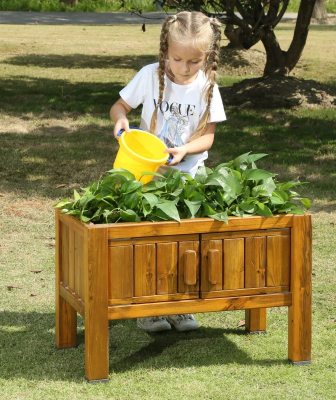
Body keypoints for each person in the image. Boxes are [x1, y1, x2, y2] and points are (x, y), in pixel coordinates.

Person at [110, 11, 226, 333]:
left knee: (184, 243)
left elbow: (208, 137)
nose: (184, 68)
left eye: (194, 61)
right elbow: (119, 107)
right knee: (149, 242)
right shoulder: (150, 75)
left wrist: (185, 150)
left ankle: (180, 306)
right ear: (165, 52)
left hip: (188, 178)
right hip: (149, 176)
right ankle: (148, 308)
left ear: (208, 57)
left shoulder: (207, 87)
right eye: (177, 59)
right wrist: (120, 120)